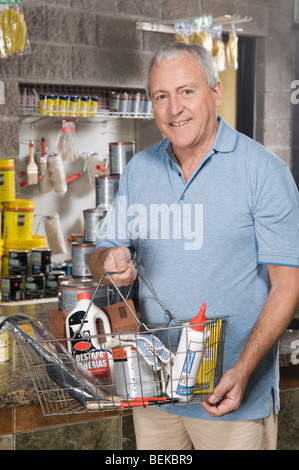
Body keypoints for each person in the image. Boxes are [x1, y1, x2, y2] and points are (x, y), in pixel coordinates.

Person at [89, 42, 299, 450]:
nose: (174, 110)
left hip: (228, 398)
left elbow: (288, 285)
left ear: (215, 93)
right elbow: (102, 256)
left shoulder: (264, 173)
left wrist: (243, 370)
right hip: (152, 392)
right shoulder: (138, 170)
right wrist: (107, 261)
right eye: (161, 97)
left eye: (187, 91)